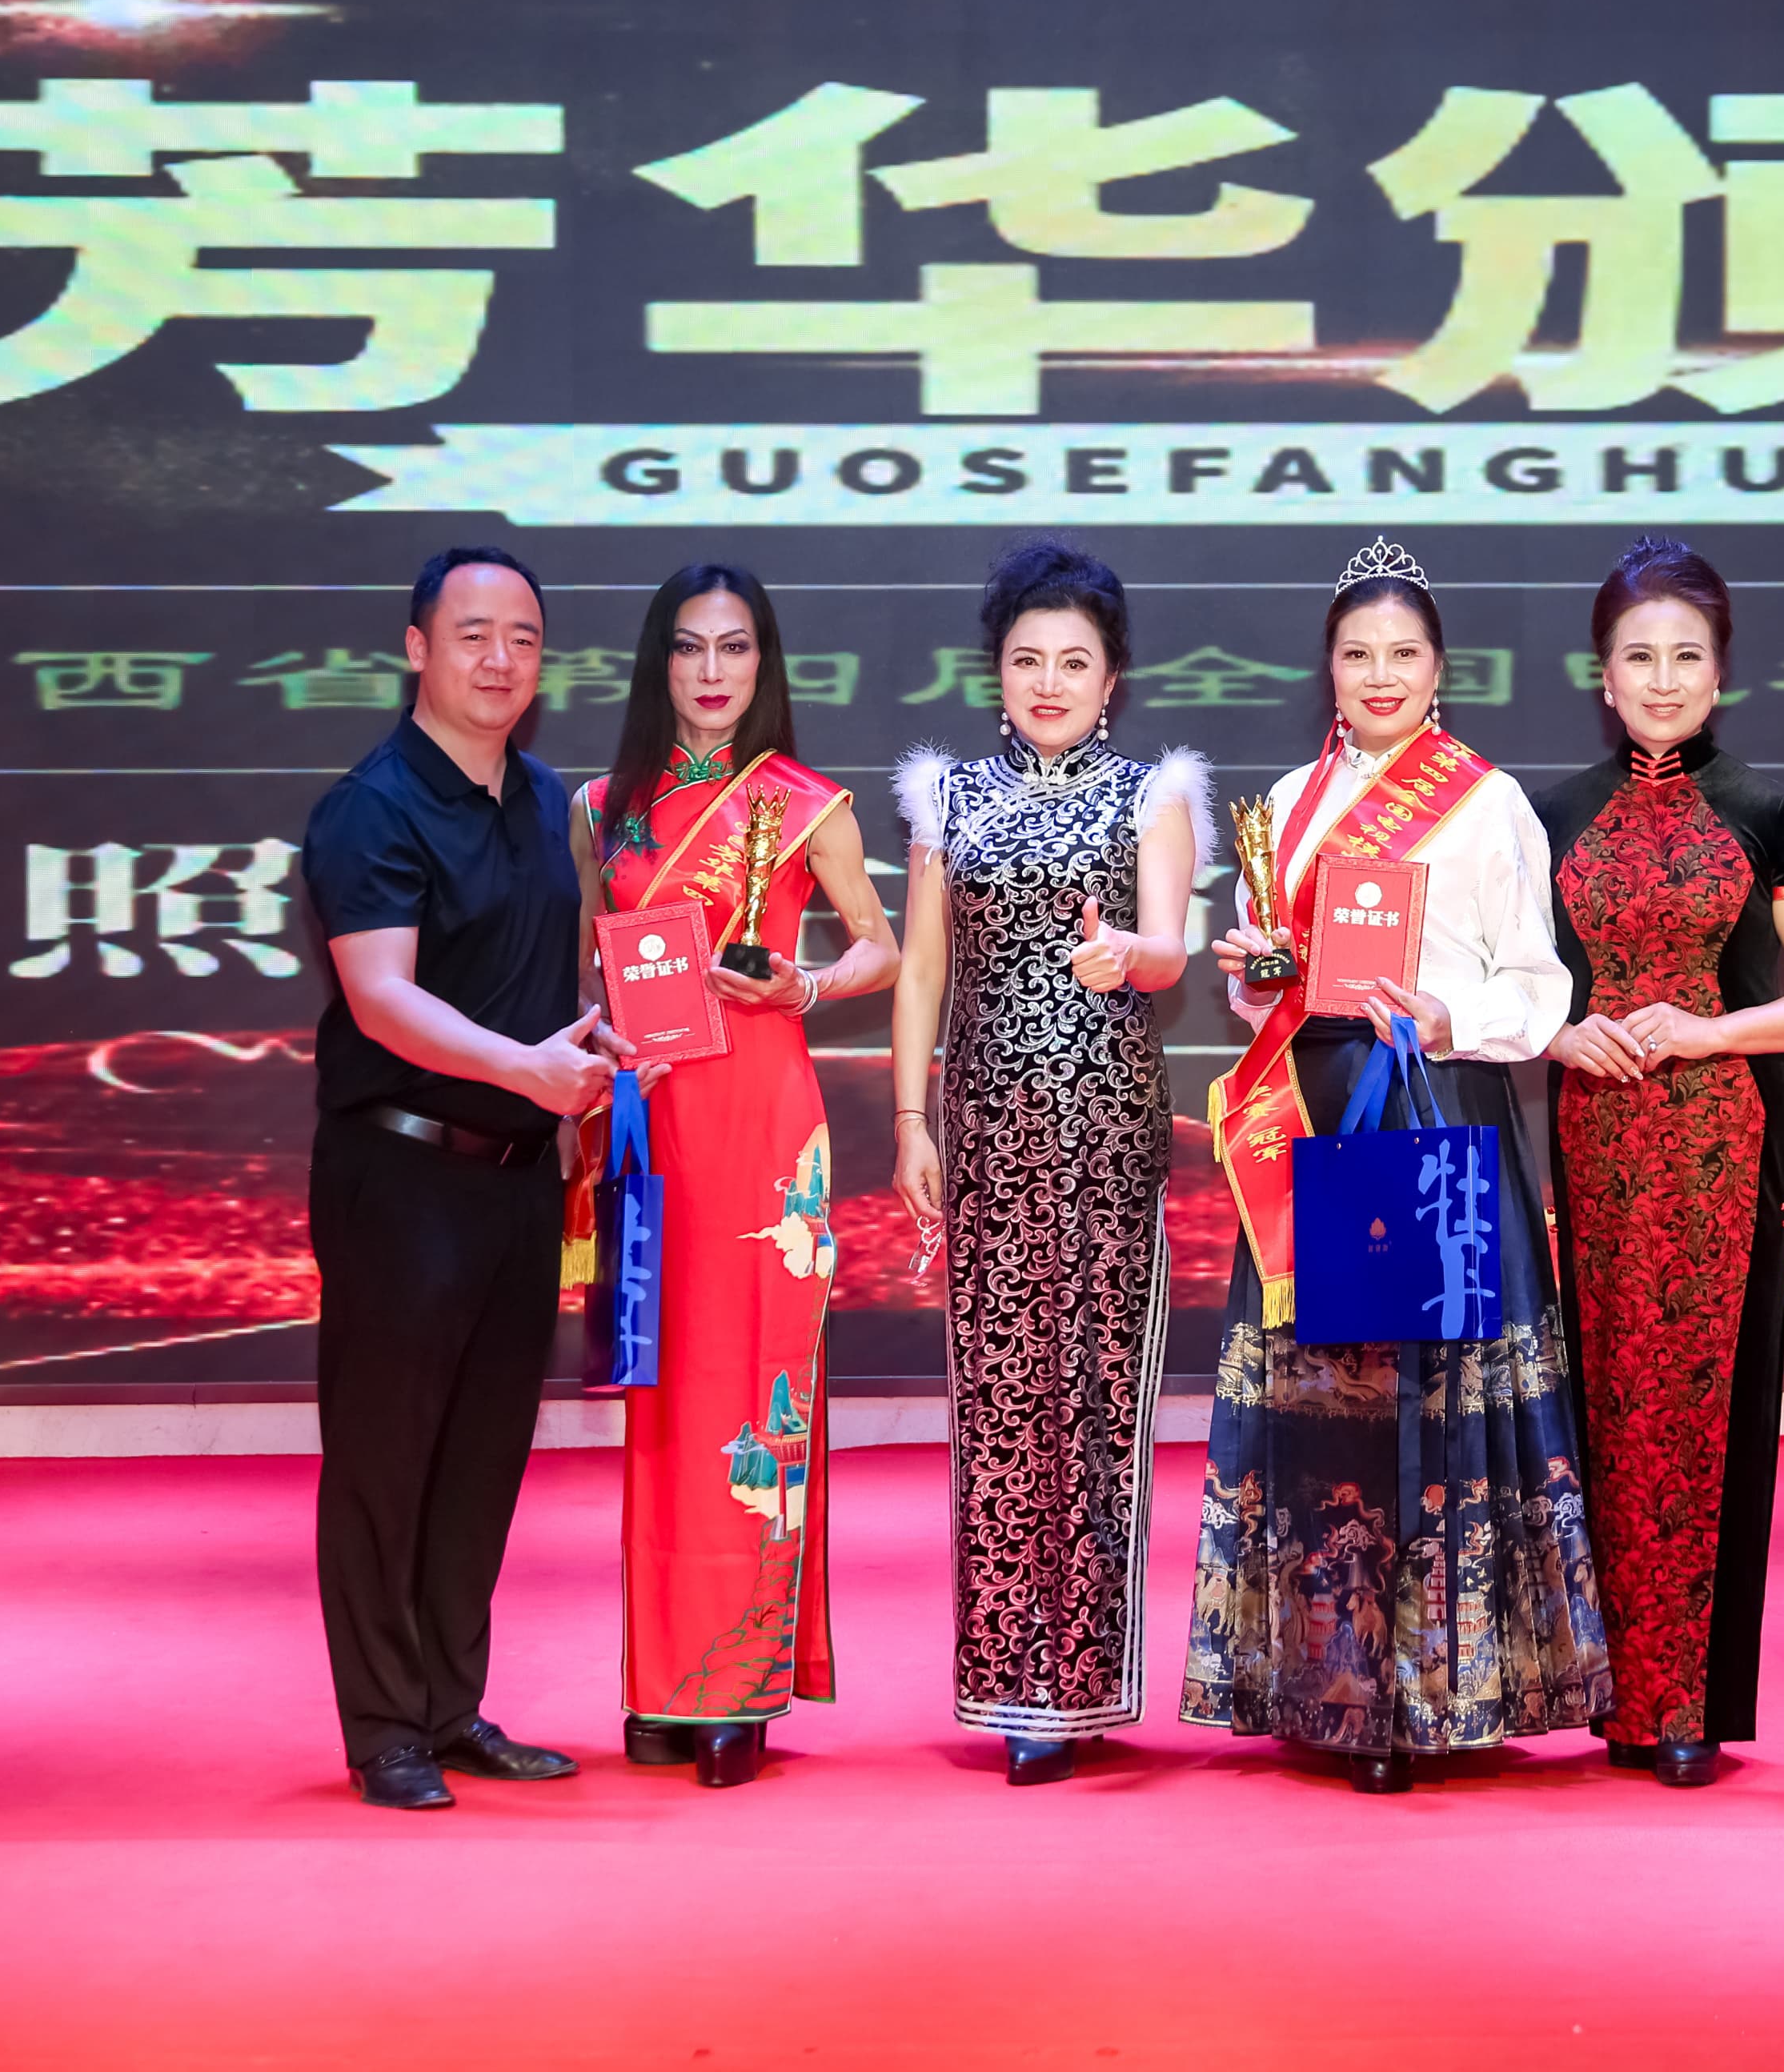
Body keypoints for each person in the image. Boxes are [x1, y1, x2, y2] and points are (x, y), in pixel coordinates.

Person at [1186, 539, 1611, 1793]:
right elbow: (1277, 986)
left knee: (1434, 1396)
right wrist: (1254, 973)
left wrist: (1444, 1011)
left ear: (1440, 668)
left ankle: (1437, 1693)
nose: (1380, 674)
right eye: (1358, 653)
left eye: (1403, 654)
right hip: (1318, 1111)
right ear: (1328, 665)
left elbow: (1541, 987)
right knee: (1328, 1395)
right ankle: (1327, 1688)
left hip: (1437, 1107)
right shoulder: (1285, 803)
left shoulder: (1488, 802)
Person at [302, 545, 653, 1811]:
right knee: (386, 1458)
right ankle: (384, 1727)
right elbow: (381, 998)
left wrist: (600, 1045)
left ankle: (453, 1708)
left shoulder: (548, 800)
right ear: (417, 649)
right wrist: (524, 1068)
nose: (501, 661)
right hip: (401, 1177)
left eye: (524, 639)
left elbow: (556, 981)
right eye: (473, 636)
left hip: (515, 1180)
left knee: (483, 1456)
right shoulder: (372, 809)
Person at [1532, 539, 1784, 1789]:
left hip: (1719, 1143)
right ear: (1603, 674)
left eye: (1688, 657)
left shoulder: (1768, 813)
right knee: (1599, 1406)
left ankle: (1685, 1702)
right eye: (1641, 657)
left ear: (1721, 674)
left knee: (1698, 1409)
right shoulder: (1549, 814)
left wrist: (1707, 1032)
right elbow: (1504, 981)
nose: (1664, 679)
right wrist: (1563, 1031)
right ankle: (1607, 1688)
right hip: (1591, 1142)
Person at [888, 540, 1211, 1785]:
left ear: (1112, 678)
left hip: (1107, 1138)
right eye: (1028, 660)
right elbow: (923, 971)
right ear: (998, 672)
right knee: (1001, 1402)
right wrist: (910, 1120)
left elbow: (1171, 950)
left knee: (1097, 1398)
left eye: (1075, 662)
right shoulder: (949, 798)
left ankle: (1081, 1684)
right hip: (985, 1136)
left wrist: (1124, 954)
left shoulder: (1152, 795)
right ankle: (1008, 1679)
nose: (1049, 682)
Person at [572, 564, 898, 1789]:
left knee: (755, 1395)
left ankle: (740, 1685)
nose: (712, 672)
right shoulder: (605, 807)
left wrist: (805, 986)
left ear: (765, 664)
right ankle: (662, 1682)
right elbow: (589, 967)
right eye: (689, 647)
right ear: (658, 663)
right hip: (653, 1121)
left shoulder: (807, 804)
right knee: (665, 1400)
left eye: (736, 647)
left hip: (765, 1126)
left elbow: (879, 946)